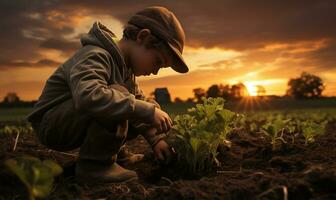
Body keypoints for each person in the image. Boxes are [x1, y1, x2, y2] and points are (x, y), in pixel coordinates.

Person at [26, 6, 189, 183]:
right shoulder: (96, 54)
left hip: (70, 119)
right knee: (120, 97)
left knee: (132, 102)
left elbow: (137, 102)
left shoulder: (126, 70)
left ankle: (116, 156)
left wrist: (156, 140)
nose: (156, 71)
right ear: (142, 37)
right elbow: (88, 96)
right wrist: (146, 110)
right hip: (52, 125)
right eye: (158, 61)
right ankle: (95, 166)